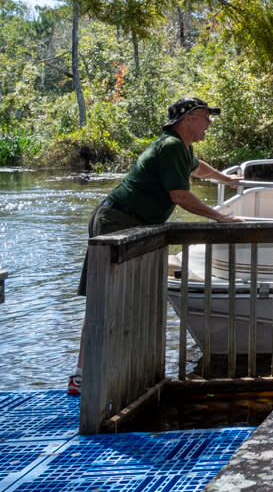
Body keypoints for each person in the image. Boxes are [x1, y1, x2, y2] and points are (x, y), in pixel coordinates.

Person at [71, 97, 245, 395]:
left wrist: (224, 178)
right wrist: (219, 218)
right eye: (205, 116)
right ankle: (83, 375)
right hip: (116, 222)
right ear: (187, 119)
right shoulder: (172, 146)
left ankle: (108, 370)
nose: (209, 123)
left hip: (131, 222)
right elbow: (180, 196)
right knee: (103, 300)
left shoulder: (181, 147)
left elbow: (197, 168)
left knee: (124, 298)